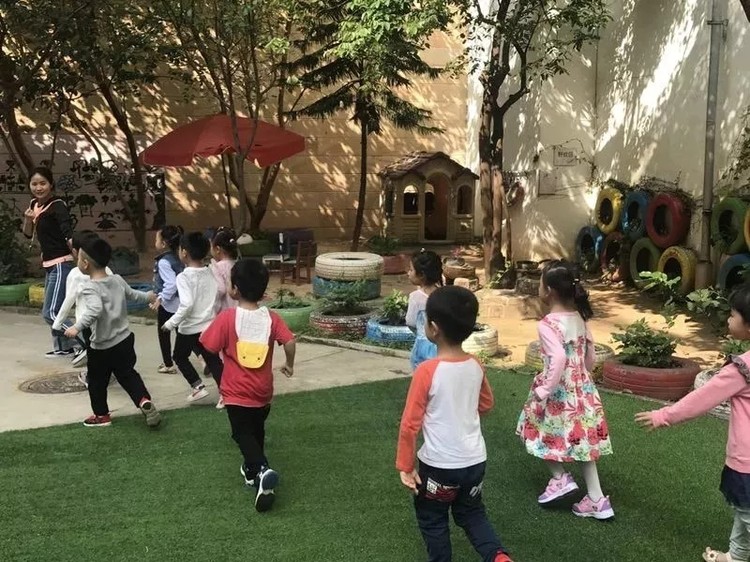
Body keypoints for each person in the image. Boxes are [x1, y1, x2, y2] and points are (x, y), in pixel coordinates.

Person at [396, 285, 513, 562]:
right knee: (472, 513)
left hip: (439, 466)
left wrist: (406, 466)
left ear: (433, 328)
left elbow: (410, 424)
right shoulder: (475, 364)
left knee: (433, 519)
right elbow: (486, 404)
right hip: (474, 462)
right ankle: (498, 557)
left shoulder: (426, 371)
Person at [636, 284, 750, 562]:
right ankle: (736, 557)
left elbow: (701, 399)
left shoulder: (741, 370)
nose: (728, 319)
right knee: (744, 513)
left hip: (747, 464)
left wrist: (663, 416)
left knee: (746, 511)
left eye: (733, 314)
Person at [516, 260, 614, 520]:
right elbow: (590, 353)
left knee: (535, 430)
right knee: (583, 442)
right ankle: (597, 499)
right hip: (582, 390)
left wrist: (544, 389)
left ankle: (560, 478)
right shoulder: (580, 318)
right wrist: (583, 374)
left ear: (548, 290)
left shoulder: (547, 324)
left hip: (558, 392)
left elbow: (558, 358)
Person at [200, 259, 295, 513]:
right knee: (256, 430)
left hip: (236, 392)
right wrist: (289, 364)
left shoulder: (227, 318)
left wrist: (212, 362)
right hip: (263, 391)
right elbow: (289, 341)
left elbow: (207, 345)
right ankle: (252, 472)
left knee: (241, 433)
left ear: (234, 289)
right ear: (263, 291)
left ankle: (262, 469)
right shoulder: (272, 318)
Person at [63, 236, 161, 428]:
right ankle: (143, 400)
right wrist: (149, 296)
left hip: (101, 346)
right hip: (124, 340)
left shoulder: (89, 287)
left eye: (79, 258)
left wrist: (77, 327)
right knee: (128, 375)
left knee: (97, 381)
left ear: (85, 263)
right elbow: (133, 295)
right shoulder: (116, 280)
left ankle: (101, 415)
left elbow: (94, 310)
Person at [162, 231, 224, 405]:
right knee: (213, 359)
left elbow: (187, 304)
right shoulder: (209, 272)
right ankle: (226, 394)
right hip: (208, 325)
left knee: (179, 357)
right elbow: (217, 292)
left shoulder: (183, 277)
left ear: (184, 252)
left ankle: (198, 387)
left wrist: (170, 323)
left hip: (189, 328)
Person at [21, 166, 77, 357]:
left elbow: (68, 232)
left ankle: (86, 343)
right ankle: (64, 347)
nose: (38, 188)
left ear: (51, 184)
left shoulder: (58, 205)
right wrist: (28, 219)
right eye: (34, 184)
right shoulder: (33, 204)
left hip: (61, 262)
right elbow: (28, 234)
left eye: (43, 183)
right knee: (57, 308)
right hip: (49, 264)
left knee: (50, 312)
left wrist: (80, 256)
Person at [52, 231, 114, 384]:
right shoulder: (106, 270)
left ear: (75, 252)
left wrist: (57, 323)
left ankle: (92, 378)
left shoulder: (75, 274)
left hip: (86, 321)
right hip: (105, 319)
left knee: (92, 349)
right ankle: (106, 372)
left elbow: (69, 300)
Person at [149, 225, 184, 374]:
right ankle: (202, 359)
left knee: (163, 333)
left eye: (157, 239)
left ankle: (168, 364)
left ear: (163, 244)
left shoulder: (164, 262)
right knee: (184, 332)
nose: (155, 242)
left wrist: (161, 298)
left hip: (169, 305)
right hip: (181, 302)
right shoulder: (179, 257)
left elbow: (171, 283)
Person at [406, 250, 443, 371]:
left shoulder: (415, 297)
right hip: (442, 346)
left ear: (421, 274)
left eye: (411, 270)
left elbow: (410, 322)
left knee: (422, 375)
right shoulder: (443, 294)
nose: (408, 273)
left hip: (422, 345)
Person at [209, 227, 239, 313]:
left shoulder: (217, 267)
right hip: (238, 309)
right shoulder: (238, 265)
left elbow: (220, 289)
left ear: (217, 249)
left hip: (224, 312)